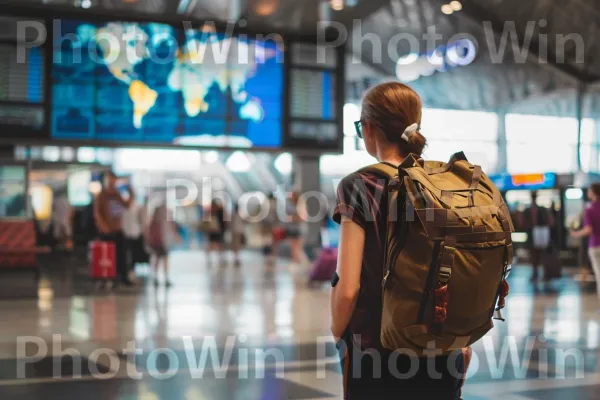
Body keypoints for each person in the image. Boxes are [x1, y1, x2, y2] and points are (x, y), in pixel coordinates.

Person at [330, 82, 467, 399]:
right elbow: (458, 268)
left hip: (377, 352)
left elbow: (348, 287)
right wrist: (463, 340)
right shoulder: (443, 183)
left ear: (368, 128)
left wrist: (338, 335)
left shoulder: (359, 185)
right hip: (442, 347)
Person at [94, 171, 134, 287]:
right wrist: (103, 226)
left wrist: (130, 190)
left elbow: (127, 205)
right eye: (110, 179)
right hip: (106, 231)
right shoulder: (101, 195)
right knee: (106, 256)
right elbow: (97, 213)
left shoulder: (117, 194)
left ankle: (122, 276)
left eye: (114, 179)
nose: (112, 182)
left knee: (121, 254)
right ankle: (106, 277)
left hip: (117, 229)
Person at [572, 182, 600, 303]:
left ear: (593, 192)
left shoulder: (589, 208)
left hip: (595, 246)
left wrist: (575, 234)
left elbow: (588, 230)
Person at [145, 194, 180, 287]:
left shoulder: (164, 217)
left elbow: (172, 228)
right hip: (159, 241)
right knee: (161, 259)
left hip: (163, 241)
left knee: (162, 259)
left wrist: (176, 237)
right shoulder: (160, 218)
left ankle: (161, 278)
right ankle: (159, 278)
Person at [520, 192, 554, 282]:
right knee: (537, 255)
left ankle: (540, 273)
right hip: (537, 234)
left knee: (538, 255)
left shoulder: (532, 210)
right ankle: (538, 273)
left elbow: (523, 223)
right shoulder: (538, 210)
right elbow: (550, 222)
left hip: (538, 234)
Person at [121, 196, 146, 278]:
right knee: (127, 254)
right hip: (127, 233)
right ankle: (129, 271)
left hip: (133, 233)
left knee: (133, 254)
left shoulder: (136, 207)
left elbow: (141, 219)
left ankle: (131, 271)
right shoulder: (124, 207)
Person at [286, 192, 309, 266]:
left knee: (297, 250)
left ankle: (305, 266)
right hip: (291, 230)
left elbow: (303, 218)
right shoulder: (291, 205)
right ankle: (297, 266)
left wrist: (293, 218)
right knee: (293, 250)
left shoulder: (301, 205)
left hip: (299, 230)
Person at [206, 199, 227, 266]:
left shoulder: (220, 212)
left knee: (219, 245)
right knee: (212, 245)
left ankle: (221, 259)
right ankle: (210, 259)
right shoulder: (210, 212)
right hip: (212, 231)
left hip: (218, 230)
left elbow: (224, 222)